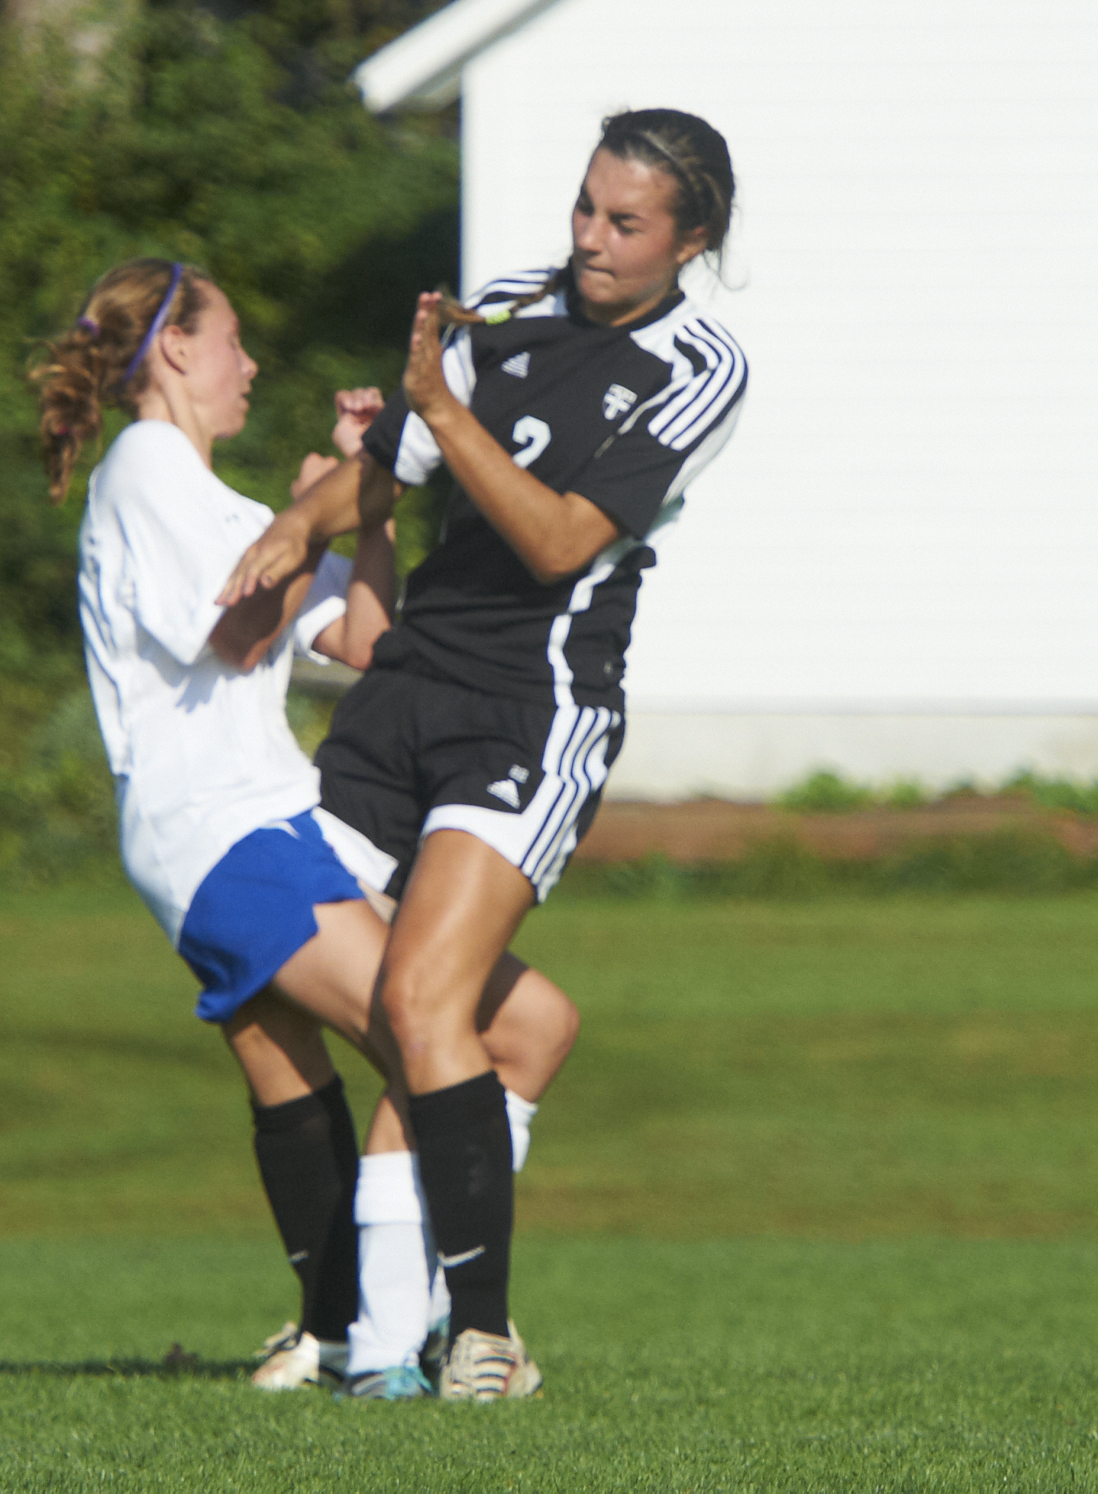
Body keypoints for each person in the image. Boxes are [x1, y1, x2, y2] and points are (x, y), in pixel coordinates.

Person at [220, 109, 747, 1401]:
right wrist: (296, 525)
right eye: (583, 207)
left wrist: (440, 413)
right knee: (255, 972)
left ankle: (476, 1337)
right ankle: (367, 1334)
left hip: (531, 707)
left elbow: (560, 540)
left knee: (414, 1004)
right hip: (405, 689)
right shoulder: (511, 305)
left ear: (692, 239)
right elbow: (388, 472)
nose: (590, 240)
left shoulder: (701, 365)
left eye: (624, 223)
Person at [30, 258, 580, 1402]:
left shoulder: (225, 508)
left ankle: (348, 1330)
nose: (251, 364)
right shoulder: (145, 470)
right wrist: (323, 507)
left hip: (273, 820)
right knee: (431, 1039)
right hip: (220, 834)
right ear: (174, 350)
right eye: (232, 340)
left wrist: (350, 511)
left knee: (525, 1023)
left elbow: (369, 639)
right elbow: (233, 635)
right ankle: (430, 1339)